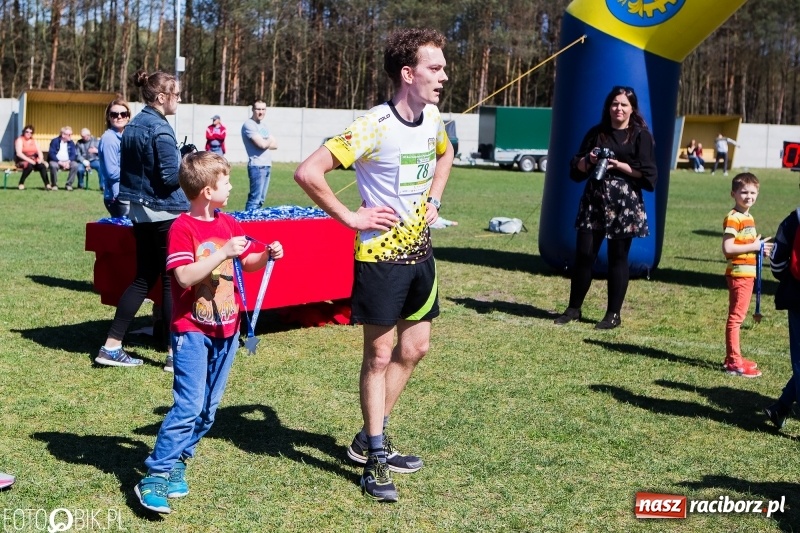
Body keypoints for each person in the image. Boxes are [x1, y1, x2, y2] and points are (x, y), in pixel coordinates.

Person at [294, 27, 454, 503]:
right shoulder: (373, 125)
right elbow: (308, 171)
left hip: (421, 255)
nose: (444, 76)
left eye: (443, 68)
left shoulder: (433, 117)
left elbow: (445, 155)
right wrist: (350, 217)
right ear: (408, 73)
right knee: (379, 358)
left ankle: (368, 437)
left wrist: (435, 198)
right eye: (435, 68)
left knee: (416, 348)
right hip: (380, 258)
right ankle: (376, 457)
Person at [134, 151, 283, 514]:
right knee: (188, 406)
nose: (231, 186)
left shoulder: (229, 223)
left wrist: (267, 255)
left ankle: (179, 460)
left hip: (227, 331)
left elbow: (247, 262)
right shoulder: (182, 228)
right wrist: (222, 254)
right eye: (226, 181)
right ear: (207, 190)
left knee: (208, 410)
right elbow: (184, 276)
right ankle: (155, 475)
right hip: (191, 331)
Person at [95, 70, 189, 371]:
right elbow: (169, 178)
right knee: (171, 280)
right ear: (162, 97)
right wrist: (188, 163)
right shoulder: (161, 128)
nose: (179, 100)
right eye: (176, 95)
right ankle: (174, 354)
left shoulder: (133, 125)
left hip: (139, 212)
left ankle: (111, 346)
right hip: (164, 213)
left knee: (143, 278)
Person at [554, 85, 657, 330]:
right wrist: (589, 159)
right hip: (594, 200)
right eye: (614, 104)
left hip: (624, 203)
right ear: (608, 107)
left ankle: (613, 315)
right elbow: (576, 169)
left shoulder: (640, 135)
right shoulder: (596, 133)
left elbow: (648, 174)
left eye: (624, 105)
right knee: (584, 255)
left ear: (632, 109)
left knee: (617, 258)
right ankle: (573, 309)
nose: (618, 108)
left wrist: (618, 165)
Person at [721, 173, 773, 377]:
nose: (748, 196)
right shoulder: (734, 218)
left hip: (747, 273)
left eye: (752, 192)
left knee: (737, 316)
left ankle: (732, 358)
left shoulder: (748, 217)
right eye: (744, 192)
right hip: (739, 275)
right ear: (733, 194)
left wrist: (759, 250)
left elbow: (745, 246)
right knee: (736, 318)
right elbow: (728, 248)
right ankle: (734, 363)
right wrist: (755, 246)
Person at [763, 187, 800, 427]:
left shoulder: (793, 219)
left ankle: (782, 407)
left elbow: (777, 263)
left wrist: (789, 280)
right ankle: (782, 407)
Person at [98, 98, 132, 218]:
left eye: (123, 114)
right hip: (117, 197)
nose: (119, 117)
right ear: (108, 117)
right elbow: (112, 173)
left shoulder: (123, 137)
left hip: (125, 194)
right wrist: (135, 172)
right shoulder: (110, 139)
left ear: (128, 116)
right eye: (114, 114)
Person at [242, 101, 278, 211]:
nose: (261, 112)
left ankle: (254, 220)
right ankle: (248, 220)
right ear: (253, 110)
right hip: (257, 166)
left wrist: (267, 142)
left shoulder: (263, 126)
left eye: (263, 109)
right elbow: (262, 145)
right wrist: (269, 140)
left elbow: (275, 145)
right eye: (258, 109)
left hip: (267, 165)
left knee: (261, 200)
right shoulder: (249, 125)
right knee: (255, 200)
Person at [14, 125, 49, 190]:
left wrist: (40, 159)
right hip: (22, 160)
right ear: (24, 132)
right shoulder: (20, 140)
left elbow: (39, 151)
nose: (28, 133)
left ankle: (47, 184)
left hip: (34, 159)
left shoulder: (34, 141)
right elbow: (19, 154)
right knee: (29, 165)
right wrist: (30, 160)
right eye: (27, 132)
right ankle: (21, 183)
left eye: (31, 132)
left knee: (42, 166)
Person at [47, 126, 81, 191]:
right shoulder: (54, 141)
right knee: (53, 165)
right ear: (63, 135)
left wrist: (68, 162)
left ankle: (69, 185)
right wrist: (60, 162)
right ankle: (54, 185)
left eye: (71, 134)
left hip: (67, 161)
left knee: (75, 165)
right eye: (69, 135)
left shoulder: (71, 143)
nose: (71, 136)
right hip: (56, 161)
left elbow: (73, 154)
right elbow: (51, 154)